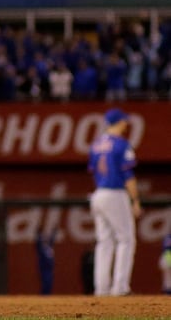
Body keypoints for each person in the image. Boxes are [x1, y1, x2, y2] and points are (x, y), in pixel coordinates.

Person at [88, 107, 141, 296]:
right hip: (115, 193)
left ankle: (101, 288)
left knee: (104, 241)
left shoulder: (95, 145)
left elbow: (94, 171)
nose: (126, 124)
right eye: (124, 121)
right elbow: (128, 175)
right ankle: (120, 287)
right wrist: (135, 200)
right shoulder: (121, 145)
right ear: (118, 122)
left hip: (98, 193)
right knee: (126, 239)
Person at [35, 226, 58, 295]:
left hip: (50, 269)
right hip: (44, 269)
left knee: (50, 283)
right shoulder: (41, 248)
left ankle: (48, 295)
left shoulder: (49, 247)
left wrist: (54, 231)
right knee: (45, 283)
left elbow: (52, 239)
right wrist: (38, 234)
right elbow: (38, 242)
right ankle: (44, 296)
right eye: (44, 238)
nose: (46, 239)